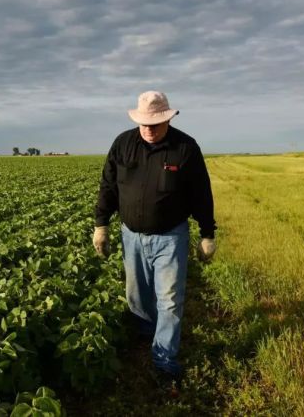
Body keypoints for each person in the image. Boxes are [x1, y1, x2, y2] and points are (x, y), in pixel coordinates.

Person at [92, 90, 216, 393]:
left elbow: (201, 192)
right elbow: (108, 185)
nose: (149, 129)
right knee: (137, 294)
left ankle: (164, 361)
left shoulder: (185, 148)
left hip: (171, 237)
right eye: (144, 123)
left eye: (156, 123)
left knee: (170, 300)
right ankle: (146, 333)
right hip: (131, 235)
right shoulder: (123, 144)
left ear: (167, 119)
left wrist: (207, 233)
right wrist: (101, 225)